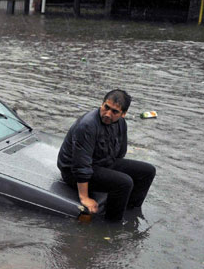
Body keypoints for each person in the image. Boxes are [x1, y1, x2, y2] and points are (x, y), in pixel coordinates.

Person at [57, 90, 156, 221]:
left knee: (148, 171)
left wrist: (112, 175)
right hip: (73, 173)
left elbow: (120, 153)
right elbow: (80, 165)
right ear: (102, 104)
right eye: (106, 107)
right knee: (125, 183)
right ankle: (112, 226)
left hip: (101, 163)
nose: (108, 114)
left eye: (114, 112)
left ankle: (130, 212)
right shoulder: (87, 126)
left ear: (123, 114)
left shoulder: (121, 124)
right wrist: (84, 198)